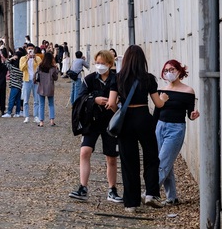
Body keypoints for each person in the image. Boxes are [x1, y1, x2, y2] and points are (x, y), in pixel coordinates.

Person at [109, 45, 168, 212]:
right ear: (143, 60)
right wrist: (163, 98)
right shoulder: (148, 78)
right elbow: (158, 104)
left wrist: (120, 113)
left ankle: (131, 203)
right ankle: (151, 194)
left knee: (129, 161)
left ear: (126, 59)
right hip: (143, 118)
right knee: (151, 156)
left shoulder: (118, 78)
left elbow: (112, 103)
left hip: (126, 121)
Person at [68, 50, 123, 203]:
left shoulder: (116, 79)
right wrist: (95, 99)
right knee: (84, 152)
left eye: (103, 63)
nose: (100, 66)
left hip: (111, 122)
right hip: (91, 121)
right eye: (97, 63)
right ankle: (83, 187)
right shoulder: (89, 79)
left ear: (110, 64)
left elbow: (122, 99)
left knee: (111, 157)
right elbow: (80, 99)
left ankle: (112, 189)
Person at [154, 59, 200, 205]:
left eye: (172, 70)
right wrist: (161, 100)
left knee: (162, 163)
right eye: (166, 70)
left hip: (176, 129)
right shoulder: (162, 90)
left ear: (179, 71)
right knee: (166, 163)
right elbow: (156, 113)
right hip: (160, 127)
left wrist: (193, 116)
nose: (169, 73)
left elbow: (189, 114)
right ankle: (171, 197)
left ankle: (150, 192)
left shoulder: (188, 91)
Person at [19, 43, 42, 123]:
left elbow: (41, 67)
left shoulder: (38, 58)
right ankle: (26, 116)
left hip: (35, 80)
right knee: (26, 100)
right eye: (29, 48)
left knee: (36, 99)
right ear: (26, 49)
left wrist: (35, 59)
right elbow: (21, 68)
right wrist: (27, 59)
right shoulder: (23, 58)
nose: (30, 50)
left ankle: (36, 116)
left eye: (32, 48)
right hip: (26, 80)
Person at [36, 52, 59, 127]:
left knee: (41, 105)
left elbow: (36, 75)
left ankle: (41, 122)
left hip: (41, 87)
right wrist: (57, 70)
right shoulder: (53, 68)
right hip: (50, 88)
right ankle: (52, 121)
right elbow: (55, 78)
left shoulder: (40, 66)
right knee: (51, 104)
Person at [4, 48, 24, 117]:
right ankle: (17, 112)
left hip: (14, 85)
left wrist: (12, 58)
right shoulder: (21, 68)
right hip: (19, 85)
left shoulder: (13, 67)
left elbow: (6, 62)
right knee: (18, 99)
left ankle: (9, 112)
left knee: (11, 99)